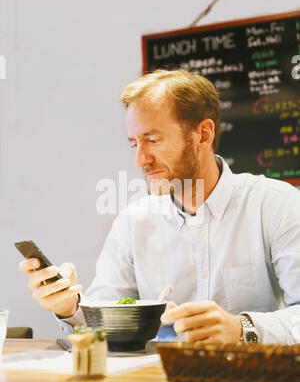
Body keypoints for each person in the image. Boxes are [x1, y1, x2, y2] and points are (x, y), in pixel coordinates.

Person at [19, 69, 300, 344]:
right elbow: (102, 329)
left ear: (203, 134)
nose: (141, 160)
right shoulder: (133, 223)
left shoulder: (276, 206)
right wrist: (70, 307)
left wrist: (242, 328)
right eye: (134, 144)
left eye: (152, 140)